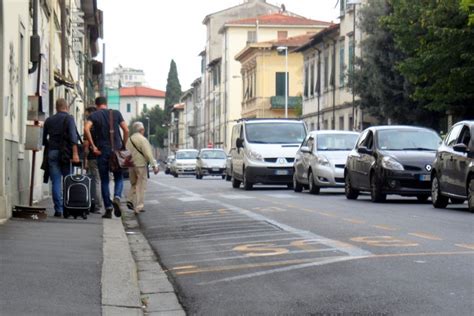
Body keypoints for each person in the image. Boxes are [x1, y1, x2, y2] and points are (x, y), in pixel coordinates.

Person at [84, 97, 129, 219]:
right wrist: (123, 145)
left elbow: (86, 128)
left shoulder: (95, 115)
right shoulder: (116, 113)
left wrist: (93, 146)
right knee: (118, 177)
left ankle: (108, 208)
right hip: (116, 150)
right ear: (106, 104)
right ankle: (117, 197)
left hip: (102, 151)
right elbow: (126, 129)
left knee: (104, 180)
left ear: (96, 105)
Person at [42, 99, 80, 217]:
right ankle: (67, 207)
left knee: (56, 182)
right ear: (67, 107)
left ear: (56, 107)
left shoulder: (49, 120)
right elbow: (73, 137)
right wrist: (75, 154)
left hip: (52, 152)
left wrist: (51, 145)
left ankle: (58, 210)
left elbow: (43, 139)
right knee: (68, 180)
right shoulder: (69, 119)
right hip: (66, 154)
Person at [126, 122, 159, 214]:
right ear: (141, 130)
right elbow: (148, 154)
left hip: (131, 165)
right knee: (140, 186)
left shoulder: (129, 140)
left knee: (134, 184)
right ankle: (138, 207)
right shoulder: (143, 140)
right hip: (140, 165)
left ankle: (129, 199)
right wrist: (154, 165)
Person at [83, 106, 103, 214]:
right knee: (100, 180)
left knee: (95, 181)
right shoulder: (102, 125)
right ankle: (102, 204)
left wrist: (85, 159)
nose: (86, 117)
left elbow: (86, 144)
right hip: (102, 155)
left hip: (92, 156)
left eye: (87, 115)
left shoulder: (89, 127)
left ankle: (97, 206)